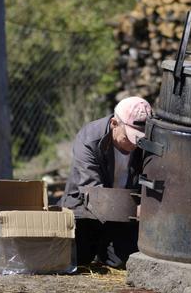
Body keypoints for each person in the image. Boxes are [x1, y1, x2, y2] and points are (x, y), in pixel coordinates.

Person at [60, 96, 152, 268]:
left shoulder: (146, 143)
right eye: (129, 137)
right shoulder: (89, 139)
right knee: (78, 258)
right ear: (114, 124)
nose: (135, 144)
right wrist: (134, 209)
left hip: (125, 215)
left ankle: (105, 248)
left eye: (140, 139)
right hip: (87, 208)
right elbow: (93, 191)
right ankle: (98, 245)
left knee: (123, 261)